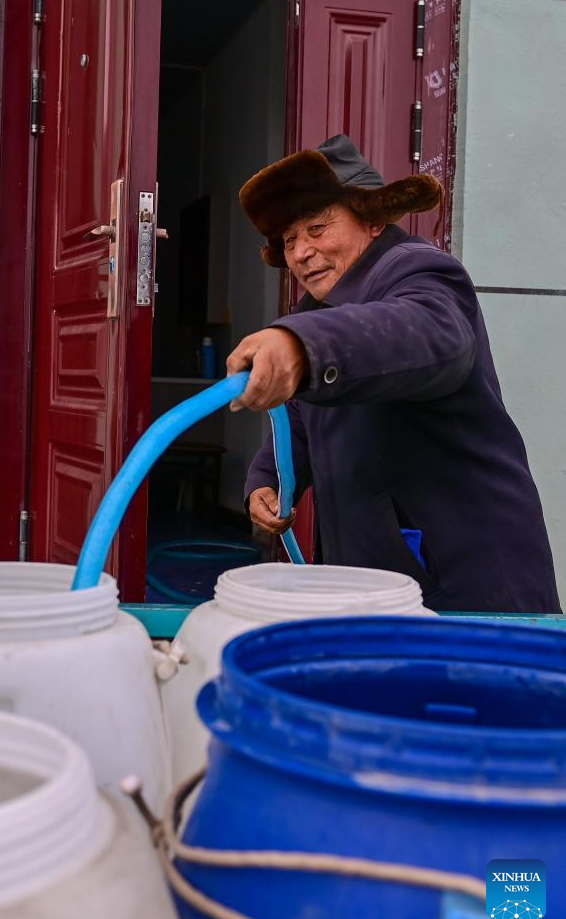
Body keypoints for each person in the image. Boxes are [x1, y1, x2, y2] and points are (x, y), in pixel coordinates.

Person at [227, 135, 560, 613]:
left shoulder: (420, 272)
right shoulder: (318, 310)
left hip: (463, 584)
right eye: (290, 240)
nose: (301, 252)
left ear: (372, 218)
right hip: (377, 584)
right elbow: (301, 421)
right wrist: (267, 478)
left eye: (317, 228)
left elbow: (429, 332)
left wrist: (306, 345)